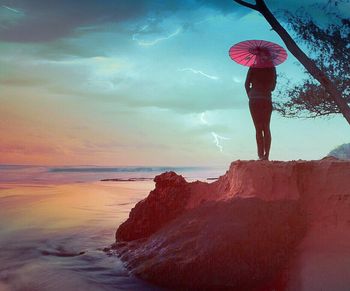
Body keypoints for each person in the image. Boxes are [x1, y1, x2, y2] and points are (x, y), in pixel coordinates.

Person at [245, 60, 276, 160]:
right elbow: (273, 87)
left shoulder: (253, 66)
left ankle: (260, 155)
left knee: (258, 128)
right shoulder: (271, 68)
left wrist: (250, 95)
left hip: (254, 99)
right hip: (266, 99)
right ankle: (266, 155)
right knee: (266, 127)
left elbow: (246, 84)